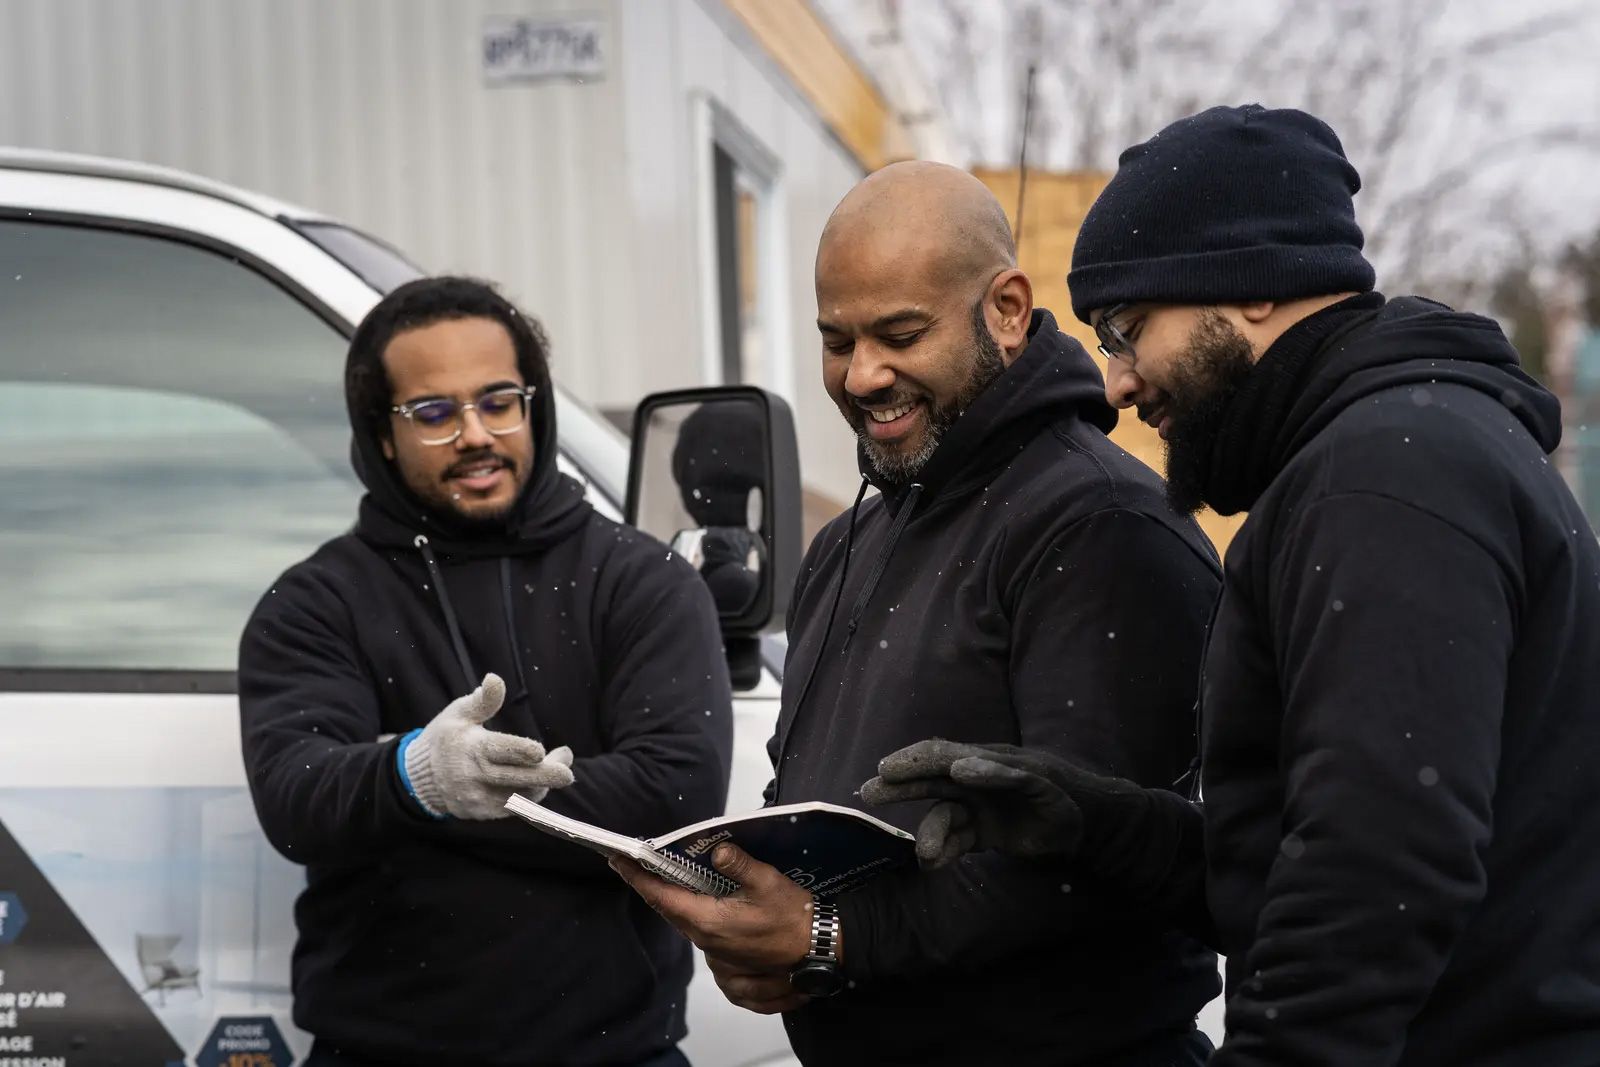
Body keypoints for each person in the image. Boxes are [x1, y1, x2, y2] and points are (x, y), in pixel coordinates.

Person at [863, 105, 1600, 1066]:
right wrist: (1095, 822)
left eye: (1127, 330)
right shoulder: (1373, 460)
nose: (1120, 382)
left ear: (1252, 284)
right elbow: (1299, 855)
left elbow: (1374, 877)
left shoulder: (1384, 475)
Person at [612, 161, 1224, 1066]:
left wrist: (828, 935)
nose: (861, 375)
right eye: (835, 340)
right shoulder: (848, 541)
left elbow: (1114, 869)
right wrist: (761, 919)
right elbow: (807, 801)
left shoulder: (1103, 526)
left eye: (900, 333)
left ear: (1008, 310)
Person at [238, 276, 734, 1067]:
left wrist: (466, 798)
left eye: (498, 400)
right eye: (433, 412)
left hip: (616, 1055)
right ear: (381, 434)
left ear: (531, 407)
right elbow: (298, 797)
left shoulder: (643, 581)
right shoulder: (315, 602)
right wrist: (418, 775)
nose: (474, 432)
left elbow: (675, 798)